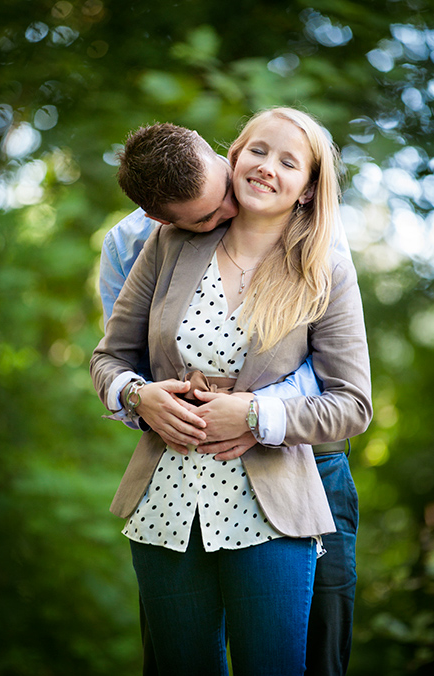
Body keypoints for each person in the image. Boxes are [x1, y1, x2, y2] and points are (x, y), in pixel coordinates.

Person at [91, 107, 373, 675]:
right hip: (166, 501)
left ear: (308, 188)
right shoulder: (163, 243)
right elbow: (109, 358)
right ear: (235, 155)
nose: (268, 167)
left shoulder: (325, 269)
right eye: (259, 151)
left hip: (282, 495)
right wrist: (138, 397)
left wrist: (253, 415)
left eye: (289, 161)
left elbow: (354, 404)